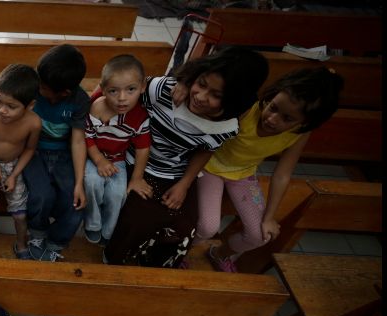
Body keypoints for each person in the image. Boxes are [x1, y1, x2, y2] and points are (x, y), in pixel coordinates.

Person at [103, 46, 268, 268]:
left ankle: (153, 265)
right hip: (134, 160)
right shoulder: (163, 90)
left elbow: (205, 150)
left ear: (234, 101)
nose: (200, 97)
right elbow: (119, 90)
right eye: (201, 84)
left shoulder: (227, 127)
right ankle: (113, 261)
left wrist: (184, 184)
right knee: (138, 219)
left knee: (185, 227)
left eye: (216, 95)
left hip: (172, 172)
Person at [191, 67, 344, 272]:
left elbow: (282, 174)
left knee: (260, 235)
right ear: (271, 97)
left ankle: (219, 254)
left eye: (287, 119)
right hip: (209, 167)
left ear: (305, 123)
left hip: (243, 175)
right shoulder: (247, 110)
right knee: (207, 226)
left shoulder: (300, 134)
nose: (272, 119)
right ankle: (177, 253)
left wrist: (270, 216)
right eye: (273, 108)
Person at [23, 44, 89, 262]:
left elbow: (78, 141)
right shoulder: (33, 89)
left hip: (64, 154)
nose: (39, 88)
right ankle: (38, 234)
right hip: (33, 150)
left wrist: (79, 182)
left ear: (64, 93)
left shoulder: (79, 101)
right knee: (41, 194)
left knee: (75, 201)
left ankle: (56, 242)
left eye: (43, 87)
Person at [83, 54, 150, 248]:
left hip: (118, 159)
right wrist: (98, 160)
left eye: (131, 90)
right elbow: (87, 136)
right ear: (103, 90)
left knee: (118, 193)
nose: (122, 98)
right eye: (113, 91)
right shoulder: (96, 108)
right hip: (94, 156)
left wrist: (137, 177)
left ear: (142, 87)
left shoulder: (140, 117)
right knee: (92, 182)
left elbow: (143, 148)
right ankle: (93, 224)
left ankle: (108, 230)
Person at [0, 64, 42, 259]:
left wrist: (14, 175)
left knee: (20, 214)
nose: (2, 110)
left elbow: (30, 149)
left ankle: (21, 244)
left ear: (30, 105)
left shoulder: (33, 123)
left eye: (11, 106)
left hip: (13, 167)